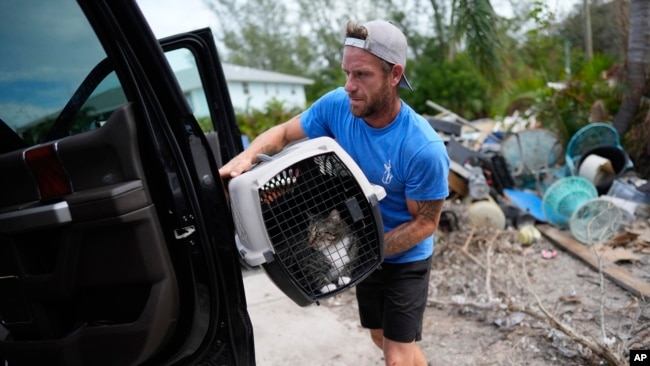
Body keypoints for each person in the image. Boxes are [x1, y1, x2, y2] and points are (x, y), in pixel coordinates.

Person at [219, 19, 450, 366]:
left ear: (394, 75)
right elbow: (282, 133)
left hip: (405, 257)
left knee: (396, 357)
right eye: (347, 73)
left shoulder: (423, 148)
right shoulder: (337, 106)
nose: (349, 86)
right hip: (363, 250)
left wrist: (370, 251)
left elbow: (425, 224)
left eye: (362, 75)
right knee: (379, 335)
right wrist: (244, 159)